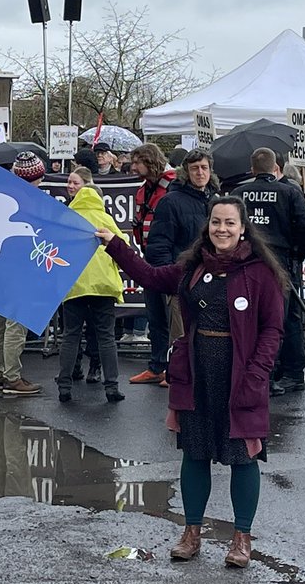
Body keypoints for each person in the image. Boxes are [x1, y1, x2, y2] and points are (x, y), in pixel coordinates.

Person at [95, 196, 287, 568]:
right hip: (197, 373)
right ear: (208, 225)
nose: (222, 229)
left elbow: (272, 330)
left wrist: (257, 374)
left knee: (242, 458)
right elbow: (150, 276)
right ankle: (192, 532)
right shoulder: (193, 267)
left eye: (230, 223)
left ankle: (242, 538)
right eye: (216, 222)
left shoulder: (261, 272)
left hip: (240, 376)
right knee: (194, 454)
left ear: (243, 228)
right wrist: (114, 244)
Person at [233, 148, 305, 396]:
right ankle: (291, 373)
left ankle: (264, 373)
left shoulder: (239, 194)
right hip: (282, 262)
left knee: (254, 320)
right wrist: (296, 252)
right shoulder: (289, 192)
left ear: (252, 169)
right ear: (275, 168)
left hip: (248, 261)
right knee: (286, 319)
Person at [132, 149, 218, 383]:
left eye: (204, 168)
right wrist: (168, 277)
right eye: (194, 168)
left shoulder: (215, 201)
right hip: (179, 276)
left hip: (209, 277)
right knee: (173, 329)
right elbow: (159, 243)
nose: (200, 173)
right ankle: (168, 370)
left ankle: (185, 372)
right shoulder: (171, 201)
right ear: (186, 172)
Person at [57, 182, 127, 404]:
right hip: (103, 286)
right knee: (106, 337)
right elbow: (123, 245)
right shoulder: (105, 219)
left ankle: (65, 386)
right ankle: (112, 387)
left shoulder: (67, 219)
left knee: (71, 335)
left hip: (74, 285)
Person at [0, 152, 47, 396]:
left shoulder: (2, 196)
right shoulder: (34, 201)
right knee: (16, 322)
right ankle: (12, 377)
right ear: (37, 176)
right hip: (21, 265)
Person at [129, 144, 176, 384]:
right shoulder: (142, 191)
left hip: (169, 261)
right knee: (155, 315)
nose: (133, 167)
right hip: (150, 258)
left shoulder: (174, 187)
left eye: (137, 162)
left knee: (174, 318)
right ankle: (157, 365)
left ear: (150, 161)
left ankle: (174, 368)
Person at [65, 166, 104, 384]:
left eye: (75, 183)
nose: (71, 187)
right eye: (69, 182)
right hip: (80, 281)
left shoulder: (100, 217)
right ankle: (80, 367)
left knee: (78, 330)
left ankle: (86, 368)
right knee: (80, 329)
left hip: (84, 281)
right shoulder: (67, 212)